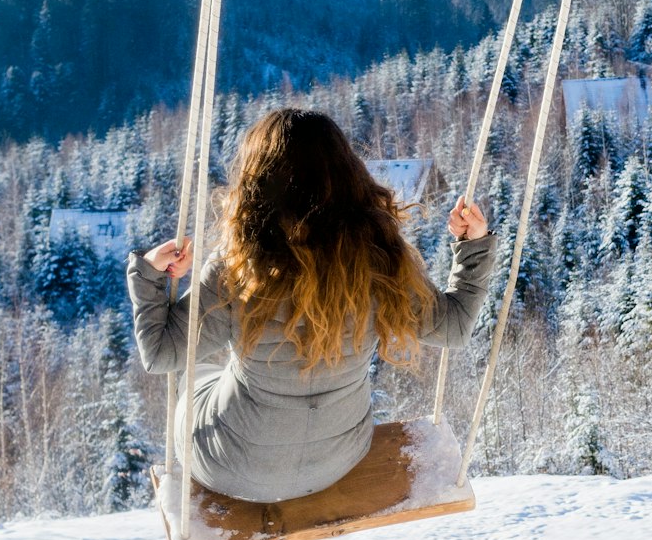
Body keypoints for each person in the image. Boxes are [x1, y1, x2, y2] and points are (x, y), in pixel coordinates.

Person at [127, 108, 494, 502]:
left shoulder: (237, 271)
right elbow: (453, 328)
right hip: (339, 459)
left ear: (257, 183)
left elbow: (161, 353)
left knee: (200, 365)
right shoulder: (380, 258)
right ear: (347, 173)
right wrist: (473, 245)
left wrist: (149, 275)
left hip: (232, 466)